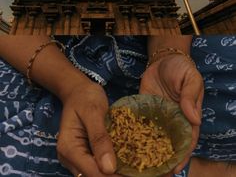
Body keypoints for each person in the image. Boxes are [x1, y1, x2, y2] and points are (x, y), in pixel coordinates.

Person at [0, 32, 236, 177]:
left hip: (146, 51)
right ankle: (197, 169)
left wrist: (167, 55)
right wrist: (71, 86)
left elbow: (166, 6)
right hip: (40, 62)